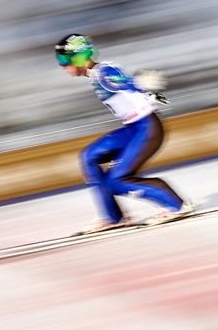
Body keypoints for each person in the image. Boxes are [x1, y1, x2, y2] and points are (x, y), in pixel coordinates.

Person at [55, 33, 194, 233]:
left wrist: (146, 92)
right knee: (88, 157)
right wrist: (144, 91)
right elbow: (124, 82)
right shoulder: (97, 73)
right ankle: (112, 217)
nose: (61, 66)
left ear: (77, 57)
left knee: (116, 181)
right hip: (133, 128)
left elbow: (123, 83)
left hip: (147, 129)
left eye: (63, 60)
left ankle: (176, 205)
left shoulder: (103, 72)